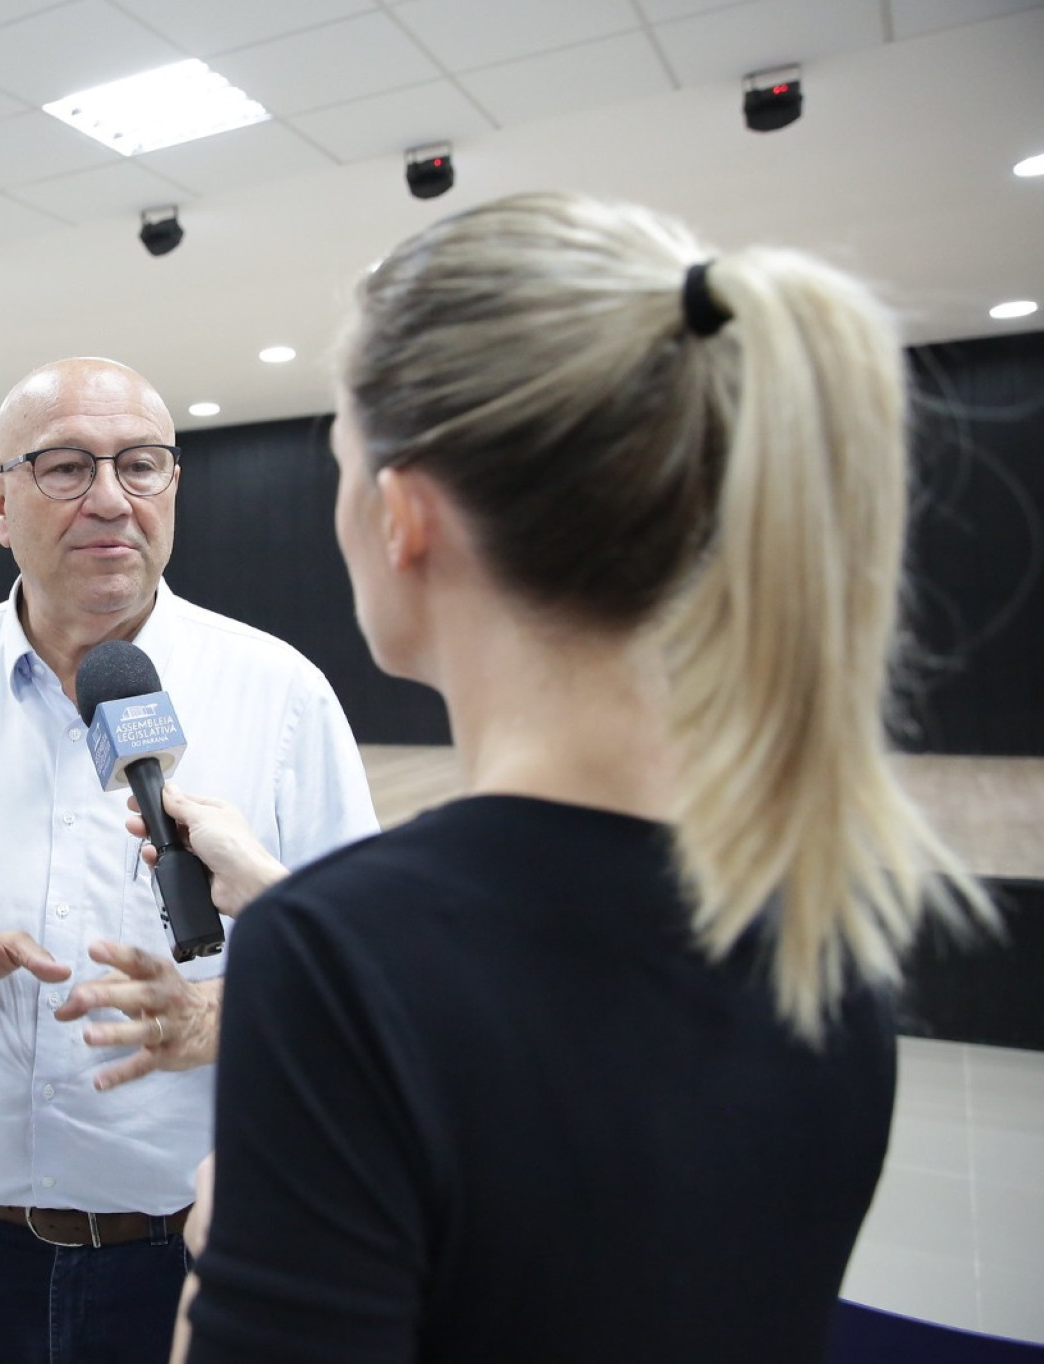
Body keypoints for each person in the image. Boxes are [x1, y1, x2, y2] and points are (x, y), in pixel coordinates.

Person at [164, 193, 995, 1363]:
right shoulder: (818, 915)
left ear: (402, 512)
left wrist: (227, 1247)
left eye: (344, 465)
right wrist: (285, 884)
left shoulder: (338, 964)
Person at [0, 356, 376, 1362]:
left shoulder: (280, 695)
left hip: (192, 1254)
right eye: (65, 466)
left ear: (173, 485)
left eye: (141, 464)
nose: (110, 497)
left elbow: (367, 973)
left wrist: (225, 1011)